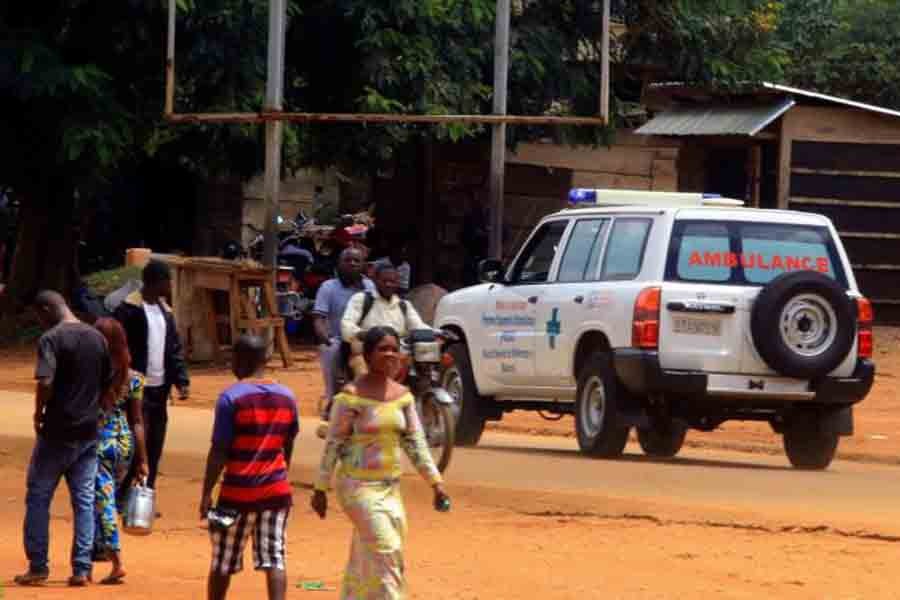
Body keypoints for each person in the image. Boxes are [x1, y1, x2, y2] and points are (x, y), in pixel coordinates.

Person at [311, 326, 450, 599]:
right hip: (356, 486)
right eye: (382, 349)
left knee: (368, 553)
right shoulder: (350, 396)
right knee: (387, 549)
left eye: (394, 349)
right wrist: (320, 488)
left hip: (389, 488)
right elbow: (334, 445)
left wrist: (436, 484)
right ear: (367, 354)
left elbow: (416, 444)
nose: (389, 354)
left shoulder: (403, 397)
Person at [16, 291, 110, 587]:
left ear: (46, 309)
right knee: (83, 501)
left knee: (39, 496)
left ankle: (38, 565)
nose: (40, 322)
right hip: (88, 431)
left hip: (57, 431)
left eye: (39, 316)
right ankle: (82, 569)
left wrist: (38, 413)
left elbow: (45, 380)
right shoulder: (97, 338)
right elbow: (108, 381)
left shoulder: (52, 339)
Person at [200, 335, 299, 600]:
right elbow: (287, 443)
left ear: (239, 361)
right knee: (274, 558)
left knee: (223, 560)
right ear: (266, 360)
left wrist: (206, 492)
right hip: (276, 491)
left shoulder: (230, 398)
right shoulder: (287, 397)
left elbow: (219, 450)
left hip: (236, 493)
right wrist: (280, 474)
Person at [114, 259, 190, 498]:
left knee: (155, 443)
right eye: (167, 281)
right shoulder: (128, 310)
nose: (170, 286)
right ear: (156, 282)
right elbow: (116, 346)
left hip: (160, 390)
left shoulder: (165, 312)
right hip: (135, 389)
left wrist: (181, 379)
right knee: (136, 443)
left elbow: (174, 349)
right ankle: (125, 493)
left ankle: (145, 493)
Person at [91, 318, 149, 585]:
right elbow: (137, 421)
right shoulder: (134, 377)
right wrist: (143, 460)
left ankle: (116, 561)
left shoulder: (94, 374)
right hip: (124, 442)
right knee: (106, 497)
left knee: (103, 503)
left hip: (99, 441)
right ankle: (97, 546)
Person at [312, 248, 375, 423]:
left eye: (357, 261)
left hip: (364, 339)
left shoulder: (370, 287)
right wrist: (325, 337)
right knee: (331, 351)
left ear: (363, 265)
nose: (352, 264)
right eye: (347, 260)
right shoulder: (328, 287)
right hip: (338, 339)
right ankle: (333, 398)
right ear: (339, 264)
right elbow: (319, 318)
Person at [340, 263, 430, 379]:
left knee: (420, 371)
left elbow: (418, 326)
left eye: (392, 281)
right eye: (384, 281)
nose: (388, 284)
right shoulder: (362, 299)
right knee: (362, 375)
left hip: (397, 354)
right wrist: (364, 335)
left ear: (397, 283)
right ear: (375, 281)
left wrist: (438, 333)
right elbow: (346, 325)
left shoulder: (404, 305)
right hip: (367, 355)